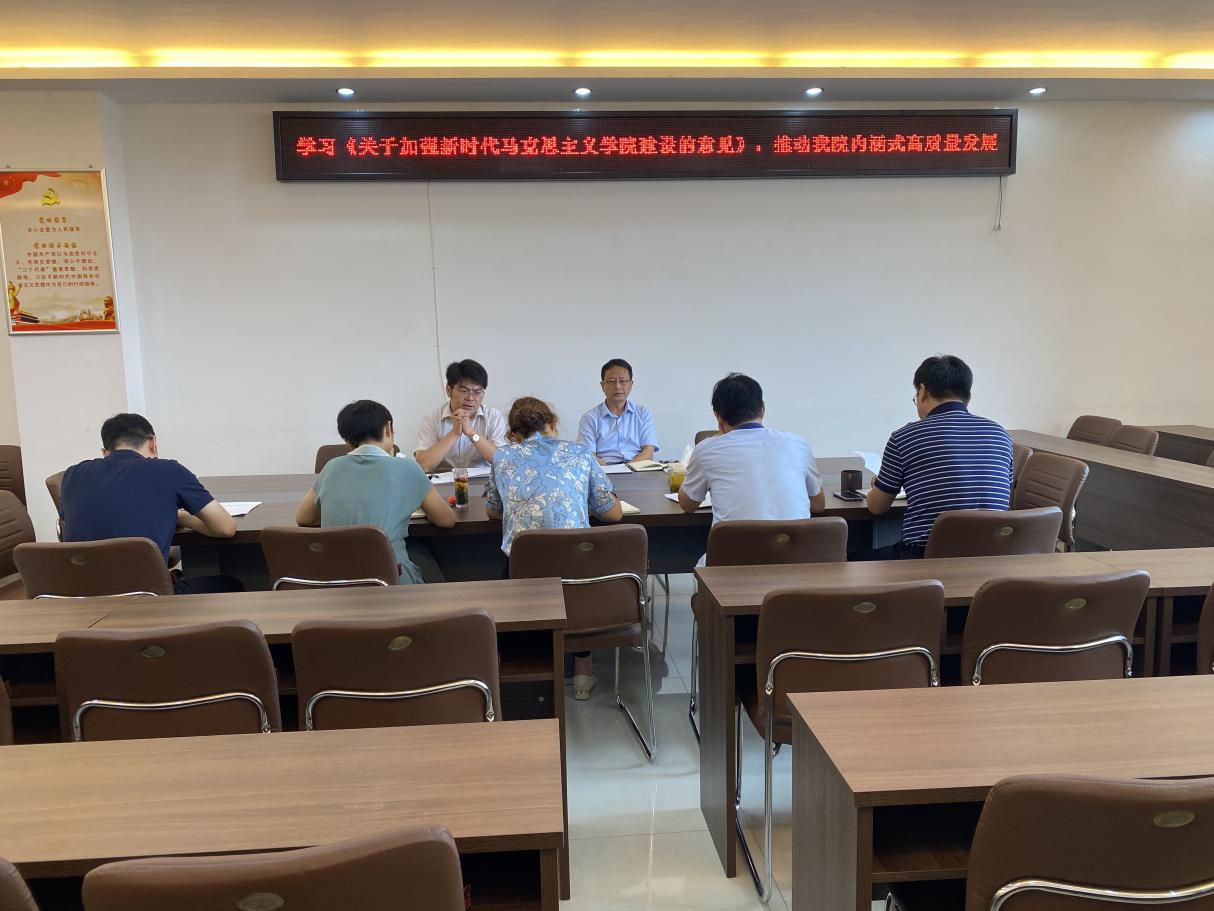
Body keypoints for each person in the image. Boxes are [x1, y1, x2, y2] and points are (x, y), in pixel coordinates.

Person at [486, 397, 623, 700]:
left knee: (513, 568)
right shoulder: (580, 452)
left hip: (524, 571)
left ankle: (527, 676)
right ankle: (583, 670)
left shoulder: (503, 456)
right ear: (552, 424)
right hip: (576, 572)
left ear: (514, 434)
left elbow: (492, 510)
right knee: (577, 571)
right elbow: (612, 513)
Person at [60, 413, 242, 594]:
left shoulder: (73, 475)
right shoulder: (169, 471)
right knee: (230, 584)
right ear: (153, 443)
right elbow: (225, 528)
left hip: (83, 598)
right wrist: (182, 518)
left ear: (105, 453)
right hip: (149, 597)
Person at [867, 355, 1013, 559]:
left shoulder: (904, 437)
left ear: (923, 391)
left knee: (850, 560)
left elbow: (876, 507)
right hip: (992, 559)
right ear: (968, 396)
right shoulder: (1000, 435)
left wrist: (878, 486)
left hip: (925, 560)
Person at [296, 400, 455, 583]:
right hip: (392, 580)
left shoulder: (331, 467)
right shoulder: (408, 469)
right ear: (388, 428)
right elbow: (446, 520)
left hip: (337, 581)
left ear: (347, 441)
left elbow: (303, 518)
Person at [677, 373, 825, 523]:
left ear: (717, 416)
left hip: (735, 539)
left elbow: (688, 505)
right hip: (796, 538)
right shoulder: (798, 444)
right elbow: (818, 505)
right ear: (762, 408)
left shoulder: (706, 450)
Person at [414, 359, 508, 472]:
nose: (471, 398)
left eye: (477, 392)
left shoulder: (493, 417)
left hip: (483, 482)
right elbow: (423, 465)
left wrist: (471, 433)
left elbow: (502, 461)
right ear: (449, 391)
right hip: (444, 481)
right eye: (464, 391)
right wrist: (454, 433)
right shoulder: (431, 418)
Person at [576, 358, 660, 465]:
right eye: (612, 381)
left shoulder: (643, 414)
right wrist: (610, 471)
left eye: (623, 381)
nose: (617, 386)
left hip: (636, 468)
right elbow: (588, 455)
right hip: (604, 470)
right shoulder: (589, 418)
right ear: (602, 386)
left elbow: (648, 451)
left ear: (631, 384)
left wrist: (627, 468)